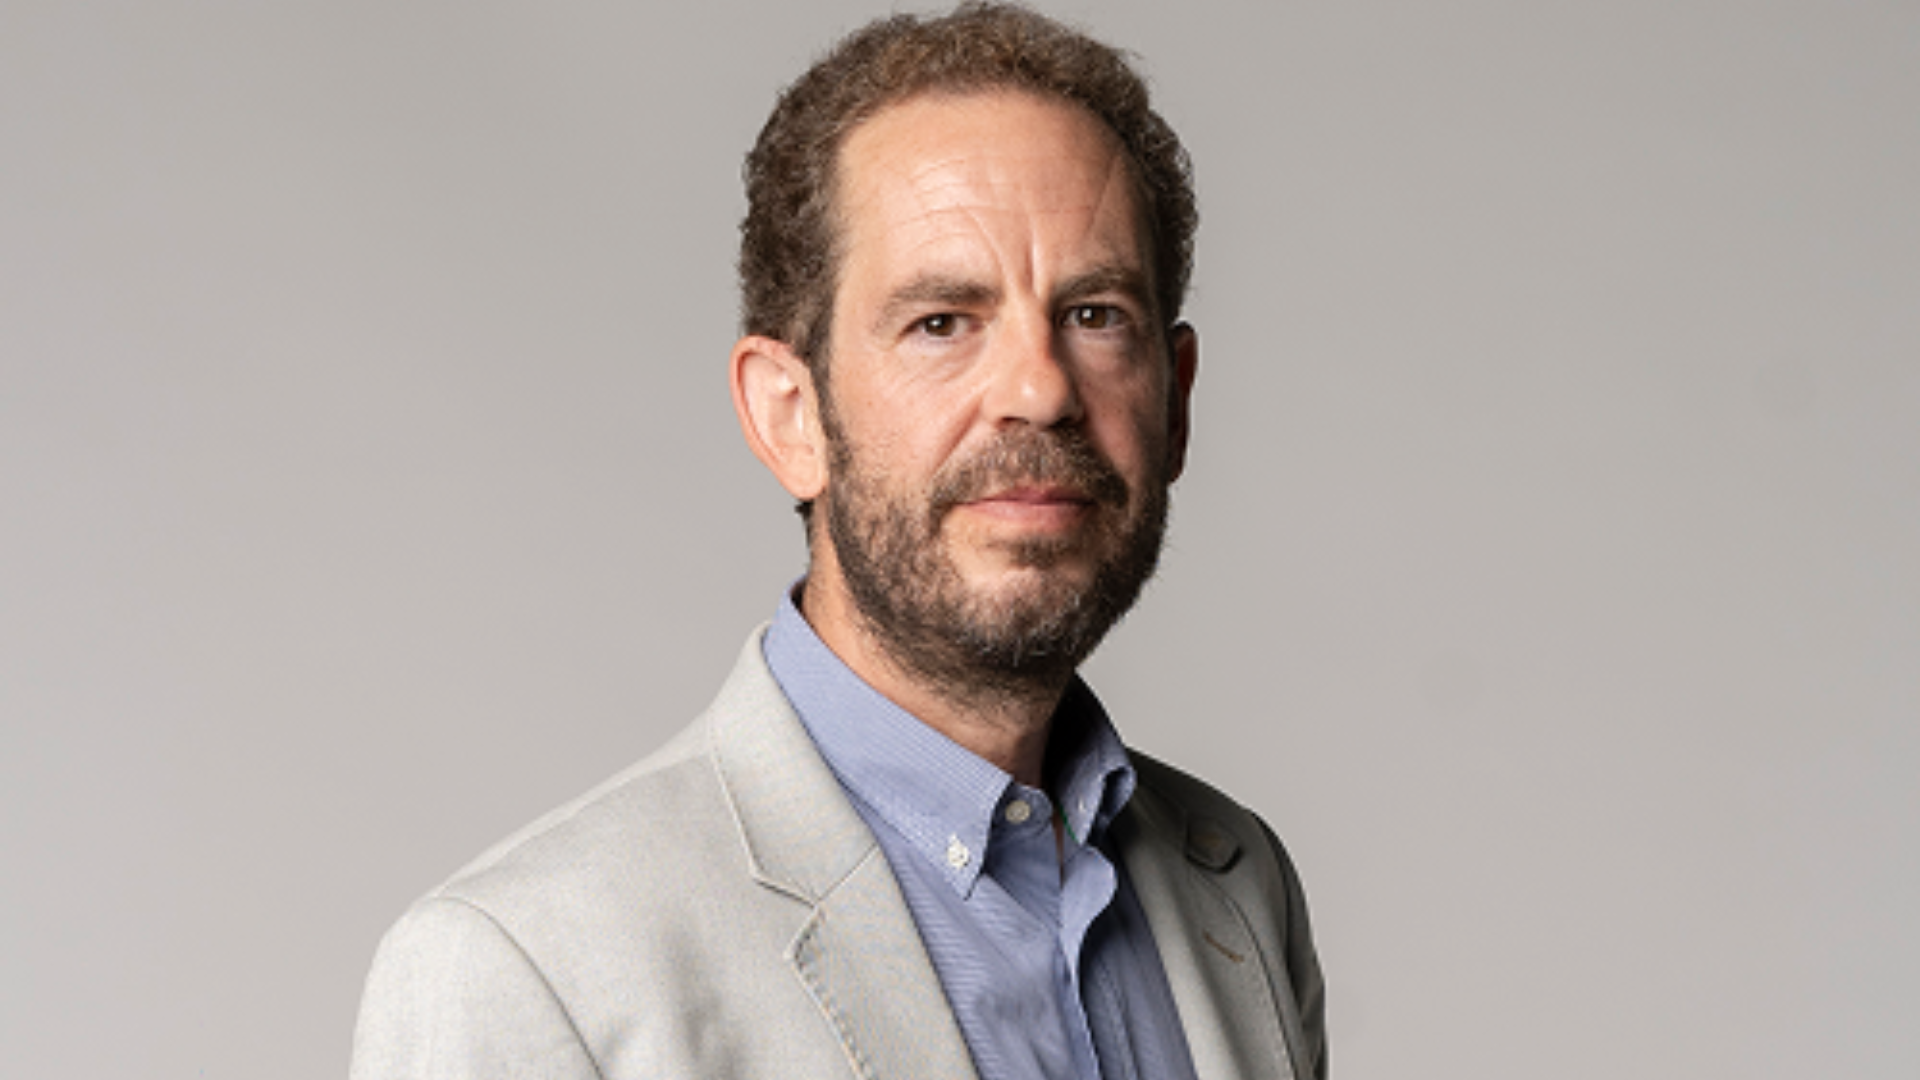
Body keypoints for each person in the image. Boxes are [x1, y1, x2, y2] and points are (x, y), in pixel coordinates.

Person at [349, 4, 1327, 1078]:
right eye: (941, 322)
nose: (1040, 390)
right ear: (791, 418)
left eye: (1095, 314)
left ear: (1176, 401)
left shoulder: (1237, 884)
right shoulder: (529, 972)